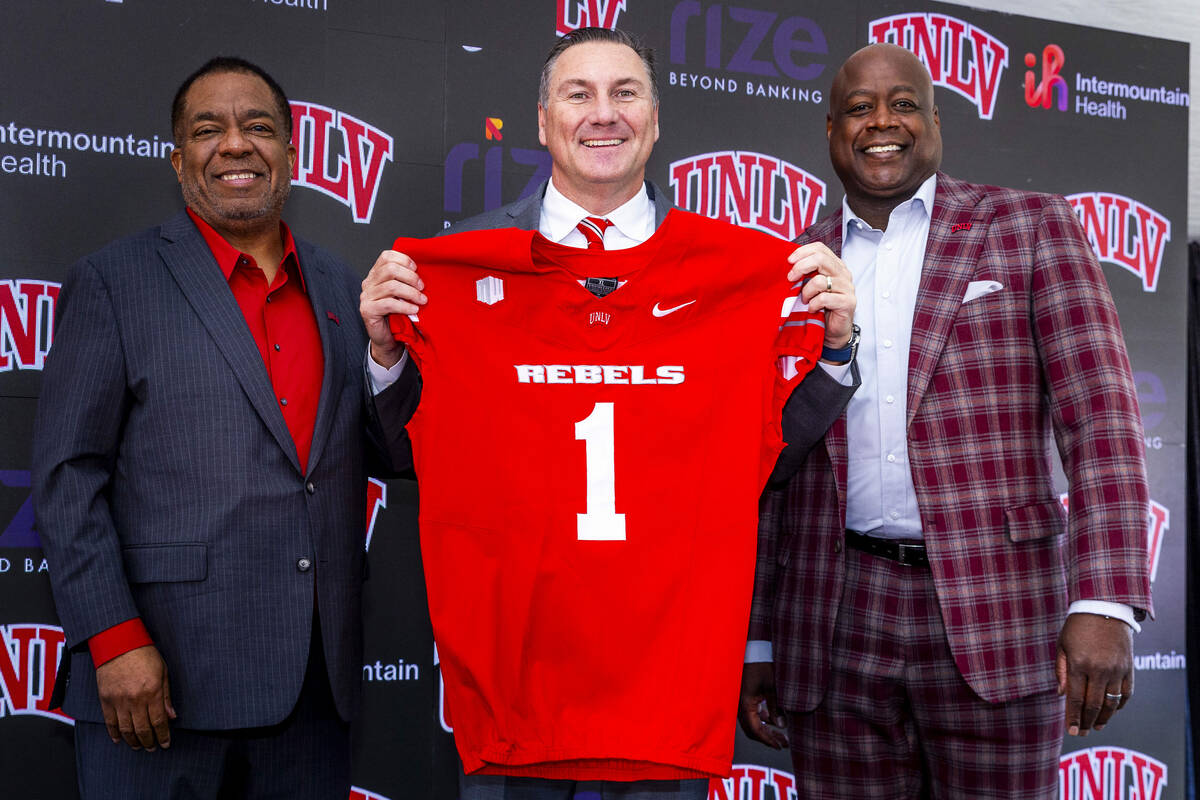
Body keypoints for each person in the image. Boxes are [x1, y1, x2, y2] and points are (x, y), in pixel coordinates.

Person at [359, 27, 858, 800]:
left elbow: (770, 452)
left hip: (667, 696)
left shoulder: (744, 275)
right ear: (542, 120)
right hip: (516, 695)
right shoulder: (458, 264)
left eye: (625, 93)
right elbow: (401, 453)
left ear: (655, 120)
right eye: (578, 93)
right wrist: (388, 353)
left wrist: (831, 347)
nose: (604, 114)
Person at [738, 43, 1152, 799]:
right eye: (859, 109)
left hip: (1000, 613)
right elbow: (768, 467)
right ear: (831, 130)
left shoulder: (1029, 226)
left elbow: (1102, 419)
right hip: (832, 623)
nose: (881, 123)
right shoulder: (789, 267)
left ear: (936, 122)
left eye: (902, 104)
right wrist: (758, 633)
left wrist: (1104, 600)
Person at [32, 57, 388, 799]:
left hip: (314, 693)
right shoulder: (115, 281)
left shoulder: (342, 287)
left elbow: (393, 451)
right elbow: (69, 477)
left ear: (290, 154)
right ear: (177, 158)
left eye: (258, 128)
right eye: (207, 130)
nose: (235, 146)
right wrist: (114, 638)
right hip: (160, 688)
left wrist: (387, 361)